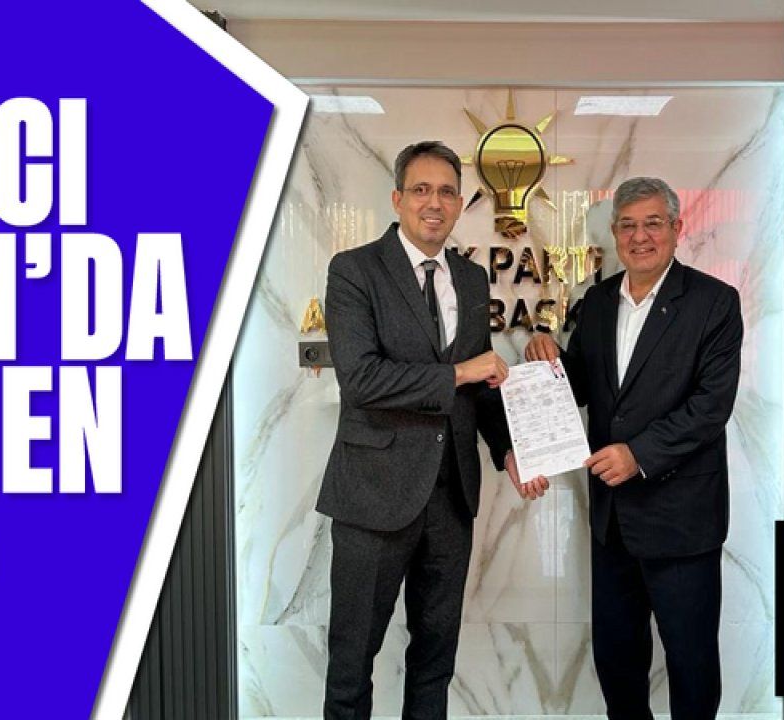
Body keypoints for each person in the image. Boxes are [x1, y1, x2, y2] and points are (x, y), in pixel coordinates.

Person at [318, 140, 545, 719]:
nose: (434, 203)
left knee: (435, 659)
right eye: (421, 190)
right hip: (372, 493)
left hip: (450, 498)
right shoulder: (354, 271)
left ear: (459, 204)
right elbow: (362, 380)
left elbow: (479, 383)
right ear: (397, 199)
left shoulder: (469, 278)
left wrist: (508, 450)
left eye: (446, 191)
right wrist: (459, 371)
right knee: (352, 660)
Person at [525, 177, 743, 720]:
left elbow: (710, 407)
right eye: (627, 225)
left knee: (691, 664)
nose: (639, 236)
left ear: (676, 228)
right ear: (615, 233)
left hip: (682, 520)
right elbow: (582, 384)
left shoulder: (714, 302)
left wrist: (638, 454)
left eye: (652, 223)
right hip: (613, 521)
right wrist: (548, 359)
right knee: (617, 663)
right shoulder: (598, 302)